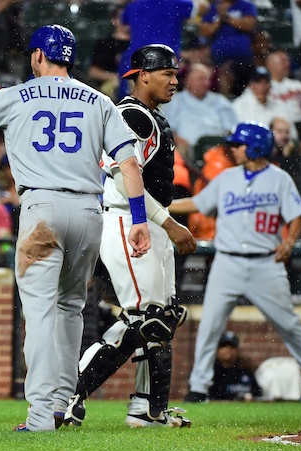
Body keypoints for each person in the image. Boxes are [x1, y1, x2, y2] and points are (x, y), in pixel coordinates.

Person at [0, 24, 151, 432]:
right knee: (71, 307)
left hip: (41, 207)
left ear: (39, 55)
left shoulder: (17, 95)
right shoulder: (99, 101)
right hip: (88, 211)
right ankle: (64, 403)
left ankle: (41, 415)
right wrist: (140, 220)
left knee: (39, 314)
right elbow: (129, 164)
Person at [63, 44, 197, 430]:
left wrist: (164, 222)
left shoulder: (148, 116)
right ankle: (70, 393)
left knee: (162, 319)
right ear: (141, 75)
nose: (175, 80)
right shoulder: (130, 114)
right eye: (166, 73)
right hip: (128, 219)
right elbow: (122, 174)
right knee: (147, 318)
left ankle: (148, 410)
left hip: (150, 221)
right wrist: (166, 222)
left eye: (176, 73)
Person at [167, 122, 301, 404]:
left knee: (289, 325)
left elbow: (297, 215)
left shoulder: (279, 179)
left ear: (255, 147)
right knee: (210, 326)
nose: (232, 148)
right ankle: (198, 387)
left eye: (238, 144)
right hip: (227, 262)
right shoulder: (227, 177)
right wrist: (158, 207)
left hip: (265, 264)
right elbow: (197, 203)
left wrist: (289, 242)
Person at [160, 62, 237, 160]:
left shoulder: (220, 101)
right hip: (188, 151)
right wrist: (180, 142)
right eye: (201, 79)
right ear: (188, 81)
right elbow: (166, 131)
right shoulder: (174, 102)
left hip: (218, 150)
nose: (206, 83)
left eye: (207, 79)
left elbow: (231, 130)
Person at [87, 4, 130, 101]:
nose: (126, 21)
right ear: (113, 20)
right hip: (110, 90)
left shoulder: (139, 44)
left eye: (128, 17)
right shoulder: (104, 45)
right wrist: (115, 78)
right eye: (122, 17)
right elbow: (93, 72)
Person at [208, 331, 261, 401]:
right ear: (217, 350)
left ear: (237, 350)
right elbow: (210, 399)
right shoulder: (211, 374)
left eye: (232, 347)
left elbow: (258, 395)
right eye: (224, 346)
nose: (228, 350)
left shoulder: (245, 372)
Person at [265, 49, 301, 127]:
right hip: (276, 129)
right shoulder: (264, 88)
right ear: (270, 65)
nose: (288, 64)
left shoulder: (298, 85)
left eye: (288, 61)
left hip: (299, 128)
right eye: (283, 62)